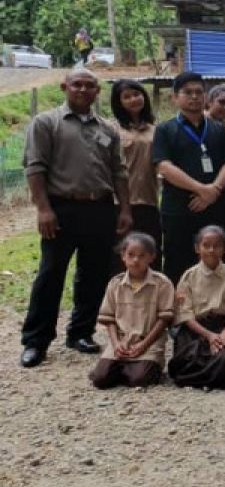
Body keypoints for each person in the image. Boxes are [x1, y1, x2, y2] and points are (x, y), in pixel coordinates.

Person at [21, 69, 134, 368]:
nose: (83, 90)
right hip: (61, 208)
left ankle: (80, 333)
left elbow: (119, 172)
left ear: (97, 91)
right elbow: (34, 168)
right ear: (65, 87)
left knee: (93, 273)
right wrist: (43, 209)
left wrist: (124, 209)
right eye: (77, 84)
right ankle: (36, 340)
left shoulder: (107, 129)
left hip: (100, 208)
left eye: (89, 86)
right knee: (50, 274)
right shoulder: (47, 123)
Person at [153, 72, 225, 284]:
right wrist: (202, 189)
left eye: (199, 92)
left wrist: (214, 190)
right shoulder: (165, 129)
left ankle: (216, 310)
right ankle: (179, 313)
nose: (194, 97)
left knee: (216, 258)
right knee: (177, 260)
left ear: (206, 97)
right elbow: (163, 165)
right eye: (187, 92)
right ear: (175, 97)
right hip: (180, 209)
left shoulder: (220, 130)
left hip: (216, 206)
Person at [88, 233, 174, 388]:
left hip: (149, 342)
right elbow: (109, 319)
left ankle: (145, 368)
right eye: (131, 255)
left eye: (142, 256)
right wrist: (116, 344)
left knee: (138, 380)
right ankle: (121, 366)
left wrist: (144, 345)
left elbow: (164, 319)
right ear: (123, 256)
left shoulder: (162, 283)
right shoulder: (115, 284)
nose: (136, 260)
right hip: (122, 341)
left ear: (152, 257)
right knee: (100, 380)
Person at [168, 225, 225, 389]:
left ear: (224, 249)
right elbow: (185, 314)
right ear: (197, 248)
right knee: (188, 358)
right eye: (206, 245)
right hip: (196, 329)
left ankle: (204, 378)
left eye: (217, 245)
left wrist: (224, 334)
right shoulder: (189, 276)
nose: (211, 250)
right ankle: (213, 377)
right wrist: (209, 336)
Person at [110, 79, 161, 253]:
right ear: (119, 102)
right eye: (127, 97)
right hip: (120, 202)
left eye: (137, 94)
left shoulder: (155, 130)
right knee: (122, 254)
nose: (133, 99)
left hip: (149, 200)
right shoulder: (111, 129)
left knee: (150, 251)